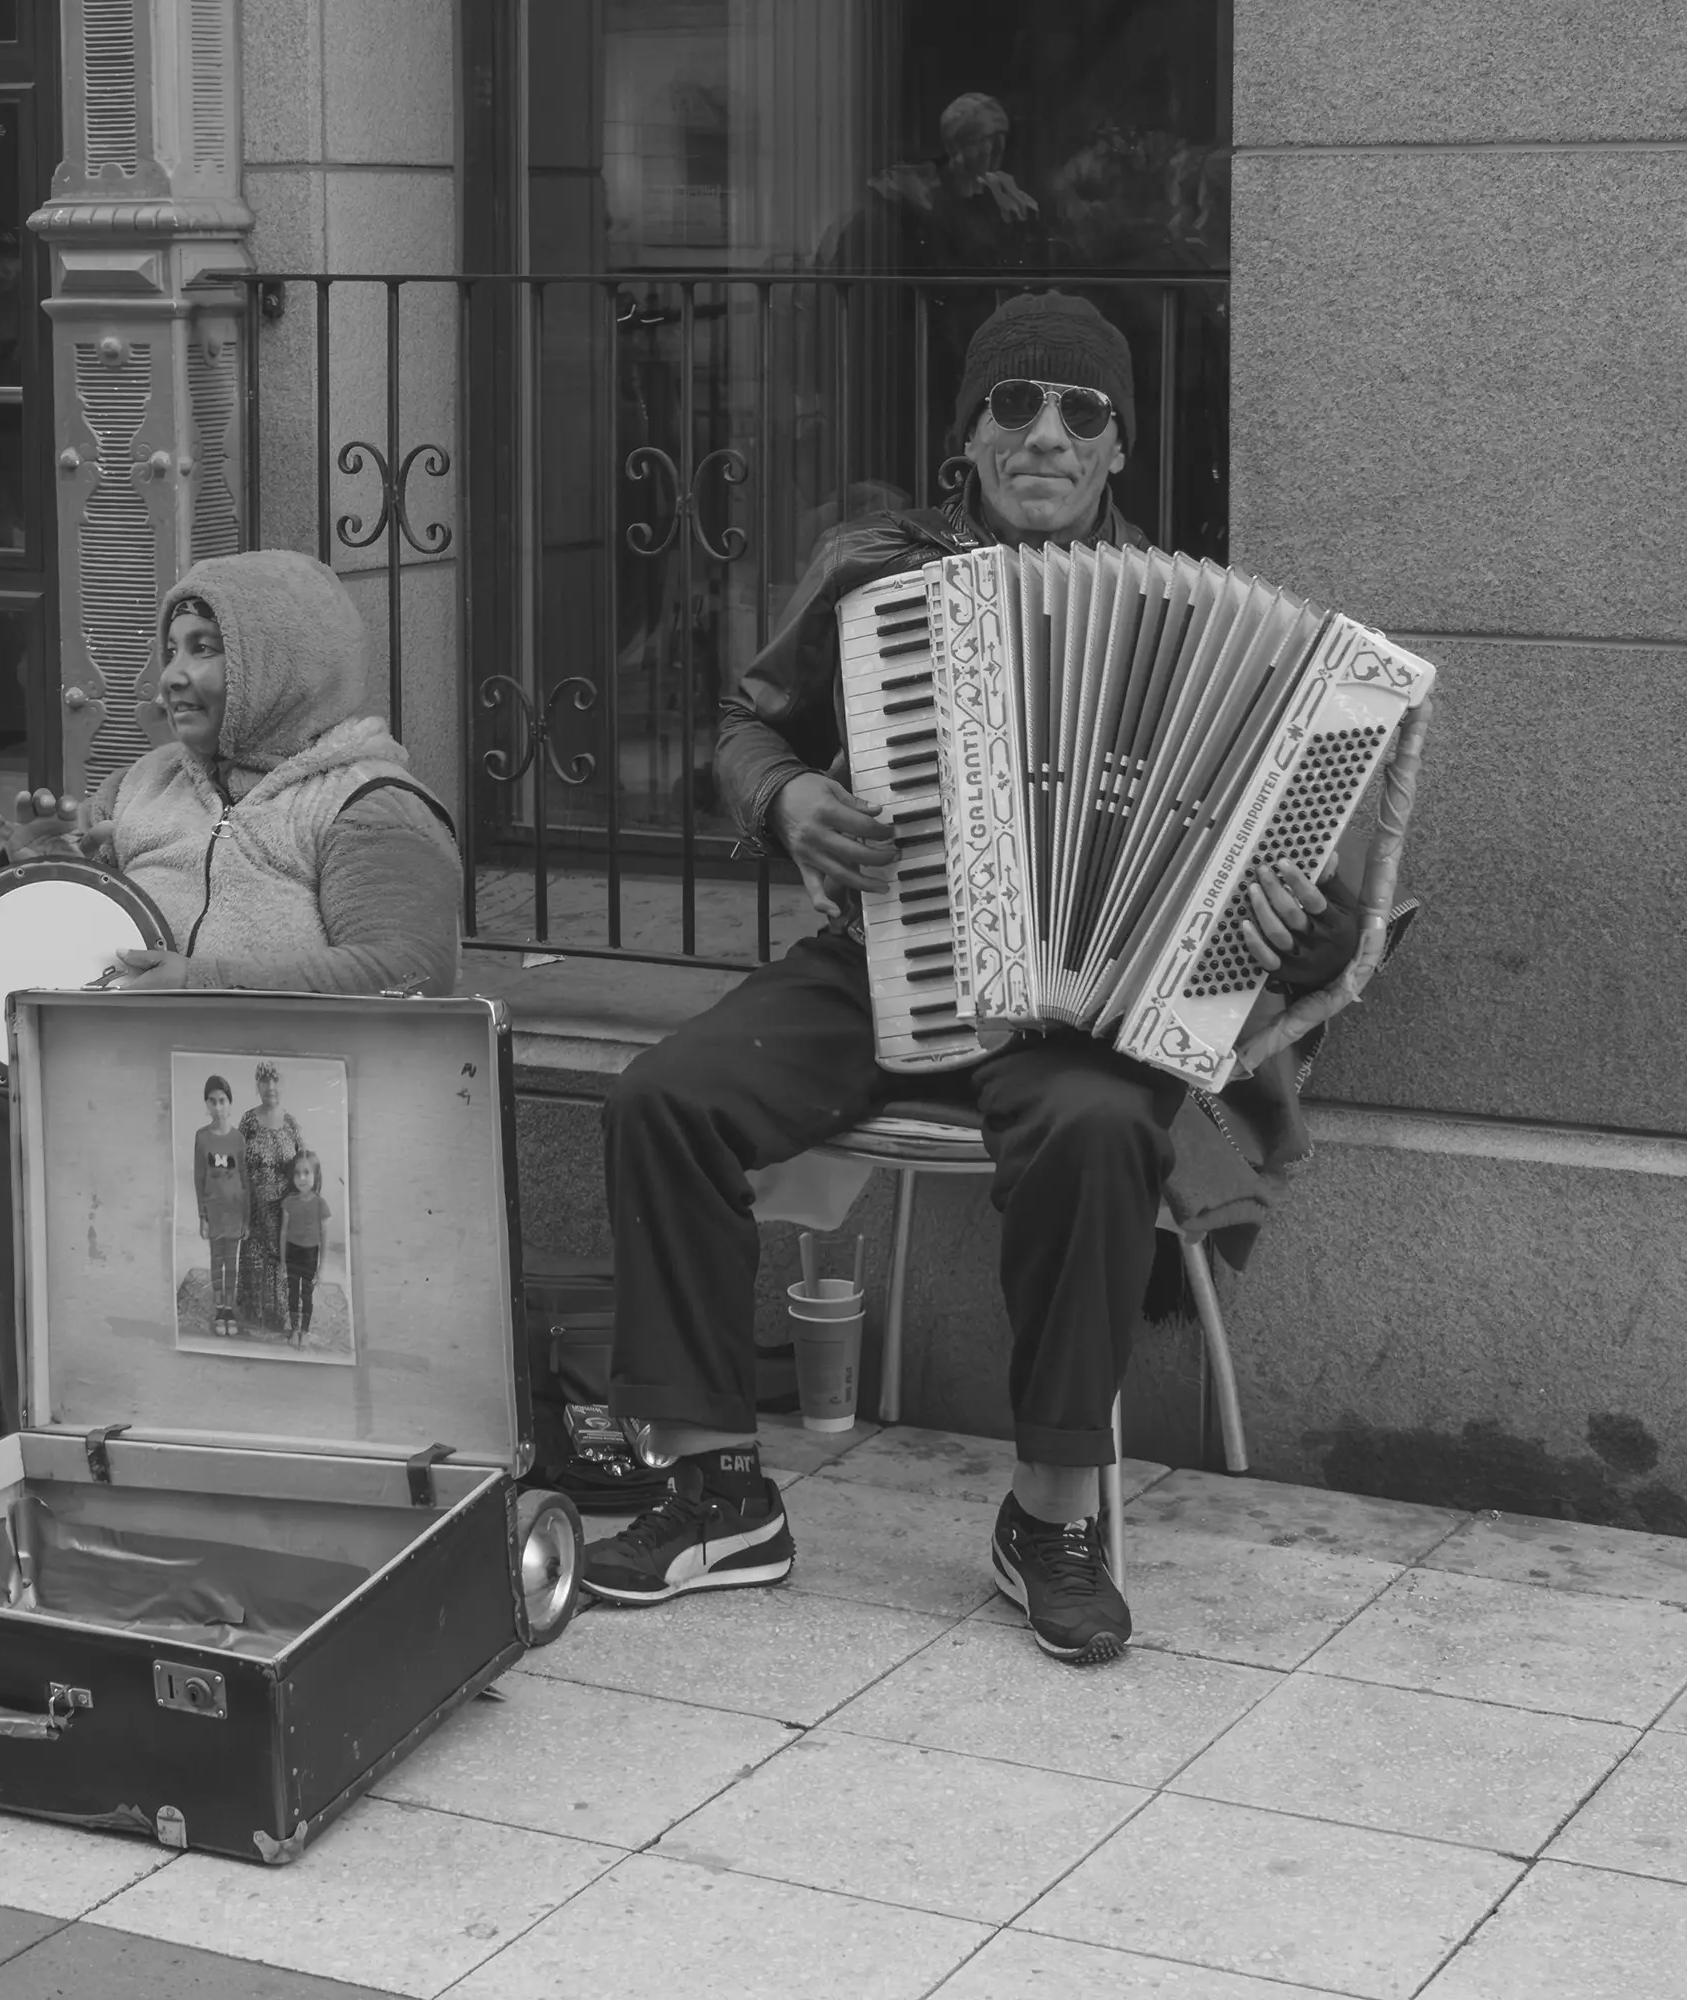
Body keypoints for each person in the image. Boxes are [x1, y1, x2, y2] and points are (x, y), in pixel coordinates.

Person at [585, 294, 1366, 1666]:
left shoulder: (1207, 626)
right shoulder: (873, 574)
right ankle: (715, 1491)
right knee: (666, 1099)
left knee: (1102, 1127)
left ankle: (1050, 1518)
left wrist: (1307, 928)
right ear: (969, 435)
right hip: (886, 951)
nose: (1047, 435)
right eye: (1016, 404)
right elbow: (739, 726)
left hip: (1080, 1004)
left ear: (1119, 449)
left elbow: (1299, 868)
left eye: (1083, 411)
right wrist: (784, 800)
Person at [0, 549, 460, 1471]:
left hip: (251, 1094)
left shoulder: (368, 804)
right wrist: (28, 868)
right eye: (170, 649)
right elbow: (28, 941)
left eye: (206, 649)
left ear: (286, 663)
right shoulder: (147, 784)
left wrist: (199, 982)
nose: (175, 676)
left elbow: (411, 971)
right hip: (114, 1070)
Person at [237, 1062, 304, 1333]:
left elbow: (303, 1167)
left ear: (283, 1084)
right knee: (253, 1262)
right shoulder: (248, 1121)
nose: (270, 1087)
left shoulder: (291, 1124)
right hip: (254, 1209)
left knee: (279, 1264)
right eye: (264, 1081)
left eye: (275, 1080)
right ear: (257, 1085)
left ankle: (277, 1315)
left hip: (283, 1212)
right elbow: (237, 1169)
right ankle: (251, 1314)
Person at [192, 1074, 247, 1338]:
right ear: (207, 1104)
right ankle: (218, 1309)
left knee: (231, 1261)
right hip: (214, 1212)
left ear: (230, 1103)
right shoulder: (201, 1137)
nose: (218, 1107)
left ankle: (229, 1309)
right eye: (212, 1101)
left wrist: (246, 1218)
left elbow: (245, 1180)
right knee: (216, 1260)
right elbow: (199, 1177)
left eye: (222, 1101)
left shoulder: (238, 1139)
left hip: (235, 1213)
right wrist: (202, 1215)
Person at [282, 1150, 331, 1338]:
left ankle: (304, 1330)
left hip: (310, 1255)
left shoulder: (321, 1204)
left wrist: (322, 1267)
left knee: (306, 1294)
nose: (301, 1178)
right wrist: (282, 1263)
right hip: (292, 1253)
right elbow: (284, 1232)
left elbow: (324, 1236)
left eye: (307, 1173)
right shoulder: (288, 1203)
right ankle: (294, 1328)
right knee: (292, 1293)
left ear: (316, 1175)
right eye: (297, 1173)